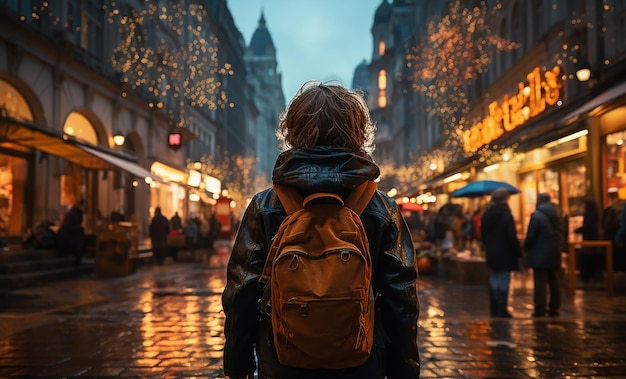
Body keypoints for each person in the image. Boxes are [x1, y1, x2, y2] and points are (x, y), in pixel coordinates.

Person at [221, 82, 420, 379]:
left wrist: (237, 367)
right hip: (362, 360)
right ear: (358, 132)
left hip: (282, 359)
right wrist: (404, 370)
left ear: (293, 131)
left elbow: (241, 294)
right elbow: (401, 299)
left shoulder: (266, 205)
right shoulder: (381, 207)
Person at [480, 188, 522, 318]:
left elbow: (483, 235)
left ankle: (494, 307)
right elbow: (511, 236)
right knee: (504, 279)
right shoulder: (506, 215)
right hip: (505, 252)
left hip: (492, 251)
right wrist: (518, 251)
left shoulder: (487, 214)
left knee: (494, 278)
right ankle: (501, 309)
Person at [524, 193, 565, 317]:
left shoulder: (537, 216)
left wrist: (526, 248)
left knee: (540, 282)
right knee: (555, 281)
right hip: (555, 251)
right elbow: (564, 232)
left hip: (540, 253)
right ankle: (554, 308)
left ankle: (540, 309)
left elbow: (531, 235)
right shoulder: (560, 214)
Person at [574, 199, 601, 281]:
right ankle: (592, 274)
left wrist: (579, 230)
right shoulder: (594, 212)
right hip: (592, 236)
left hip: (589, 237)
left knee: (588, 256)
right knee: (591, 256)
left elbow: (588, 225)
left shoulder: (589, 213)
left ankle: (587, 275)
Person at [57, 199, 87, 265]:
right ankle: (78, 259)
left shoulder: (78, 213)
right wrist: (80, 228)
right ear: (80, 205)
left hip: (72, 235)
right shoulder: (72, 214)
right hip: (67, 236)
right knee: (79, 243)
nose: (84, 208)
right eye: (84, 206)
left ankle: (79, 258)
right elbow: (68, 226)